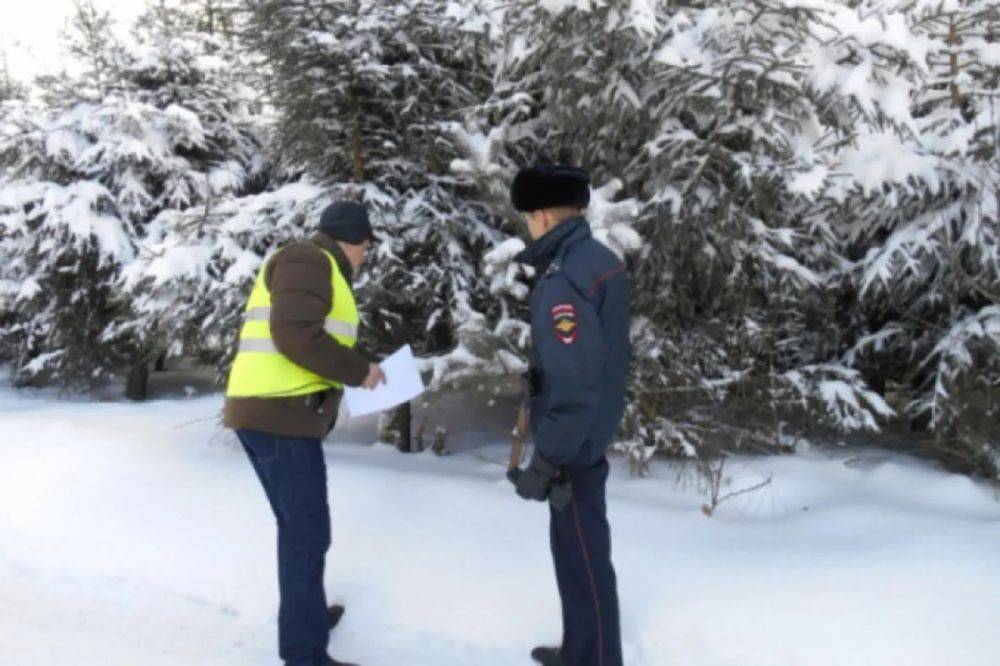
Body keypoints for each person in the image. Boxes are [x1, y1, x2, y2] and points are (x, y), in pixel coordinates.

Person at [223, 200, 386, 666]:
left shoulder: (318, 267)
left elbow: (317, 337)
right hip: (279, 417)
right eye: (365, 249)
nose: (363, 258)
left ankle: (306, 619)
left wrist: (366, 366)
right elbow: (295, 336)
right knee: (306, 532)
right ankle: (303, 652)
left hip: (281, 417)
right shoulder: (307, 259)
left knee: (301, 529)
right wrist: (359, 371)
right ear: (353, 241)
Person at [506, 165, 631, 666]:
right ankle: (581, 650)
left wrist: (546, 460)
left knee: (583, 562)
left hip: (574, 446)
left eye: (526, 218)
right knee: (578, 555)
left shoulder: (564, 279)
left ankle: (596, 658)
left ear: (539, 217)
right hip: (589, 434)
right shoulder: (598, 260)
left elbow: (575, 381)